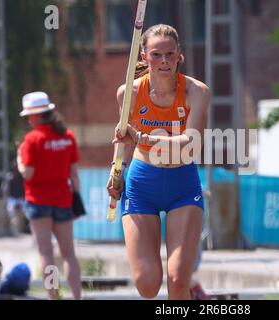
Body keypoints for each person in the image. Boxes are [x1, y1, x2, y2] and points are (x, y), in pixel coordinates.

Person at [107, 24, 210, 300]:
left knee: (178, 280)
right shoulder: (127, 93)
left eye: (169, 54)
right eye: (156, 55)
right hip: (142, 184)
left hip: (183, 185)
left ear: (179, 56)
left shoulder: (196, 92)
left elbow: (192, 143)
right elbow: (122, 141)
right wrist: (115, 173)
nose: (164, 61)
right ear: (143, 57)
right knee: (148, 284)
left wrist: (142, 137)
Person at [17, 91, 81, 300]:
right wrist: (77, 198)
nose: (28, 120)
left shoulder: (32, 139)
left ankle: (54, 296)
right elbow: (74, 173)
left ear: (36, 116)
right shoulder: (68, 136)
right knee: (69, 254)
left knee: (46, 254)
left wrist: (19, 159)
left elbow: (28, 173)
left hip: (38, 202)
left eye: (29, 116)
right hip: (63, 200)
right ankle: (77, 296)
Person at [0, 158, 29, 235]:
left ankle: (26, 227)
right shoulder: (9, 177)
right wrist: (4, 198)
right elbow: (4, 190)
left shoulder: (24, 177)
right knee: (10, 210)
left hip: (22, 198)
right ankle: (11, 227)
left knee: (28, 211)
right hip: (12, 199)